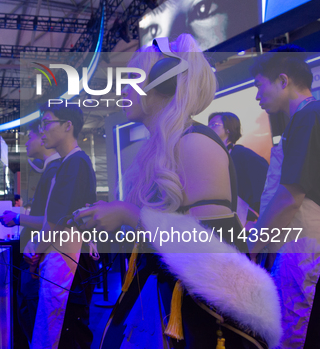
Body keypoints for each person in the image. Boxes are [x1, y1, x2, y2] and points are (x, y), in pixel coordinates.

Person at [75, 35, 281, 349]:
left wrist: (128, 214)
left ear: (164, 83)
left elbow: (212, 249)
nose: (123, 89)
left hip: (205, 322)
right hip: (169, 307)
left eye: (133, 79)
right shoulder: (164, 148)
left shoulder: (195, 144)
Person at [248, 45, 320, 348]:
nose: (257, 96)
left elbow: (290, 194)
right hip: (300, 241)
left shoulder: (308, 117)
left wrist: (254, 242)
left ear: (282, 80)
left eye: (258, 86)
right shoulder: (305, 119)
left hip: (305, 244)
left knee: (293, 332)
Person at [27, 103, 97, 349]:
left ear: (68, 126)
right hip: (66, 255)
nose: (42, 131)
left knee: (56, 328)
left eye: (47, 124)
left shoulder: (74, 163)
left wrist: (35, 251)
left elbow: (55, 222)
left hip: (66, 257)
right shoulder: (72, 161)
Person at [0, 120, 61, 346]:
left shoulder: (55, 170)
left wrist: (17, 218)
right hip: (35, 261)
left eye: (30, 137)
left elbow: (51, 220)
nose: (27, 142)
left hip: (38, 263)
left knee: (35, 325)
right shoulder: (51, 170)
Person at [208, 112, 269, 221]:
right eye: (208, 125)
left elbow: (263, 184)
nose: (209, 129)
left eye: (214, 125)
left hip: (250, 220)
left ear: (228, 129)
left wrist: (258, 214)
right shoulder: (214, 158)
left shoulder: (243, 154)